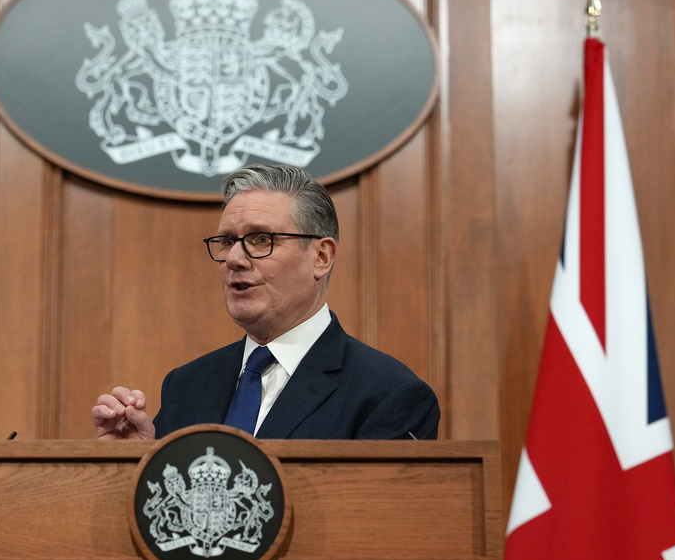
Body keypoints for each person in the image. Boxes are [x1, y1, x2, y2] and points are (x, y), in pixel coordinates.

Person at [91, 164, 439, 441]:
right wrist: (136, 464)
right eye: (228, 240)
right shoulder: (186, 385)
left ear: (321, 256)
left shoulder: (389, 394)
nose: (234, 259)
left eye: (261, 239)